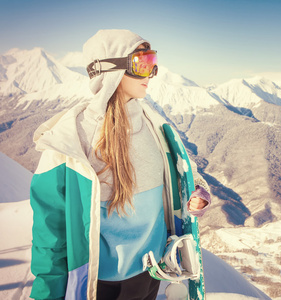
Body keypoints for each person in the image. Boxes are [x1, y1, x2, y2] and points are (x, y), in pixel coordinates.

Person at [29, 29, 211, 300]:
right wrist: (47, 294)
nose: (150, 73)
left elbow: (183, 170)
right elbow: (50, 231)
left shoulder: (155, 125)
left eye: (153, 63)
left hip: (151, 271)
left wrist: (198, 191)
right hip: (99, 281)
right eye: (141, 63)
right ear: (109, 70)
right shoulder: (69, 142)